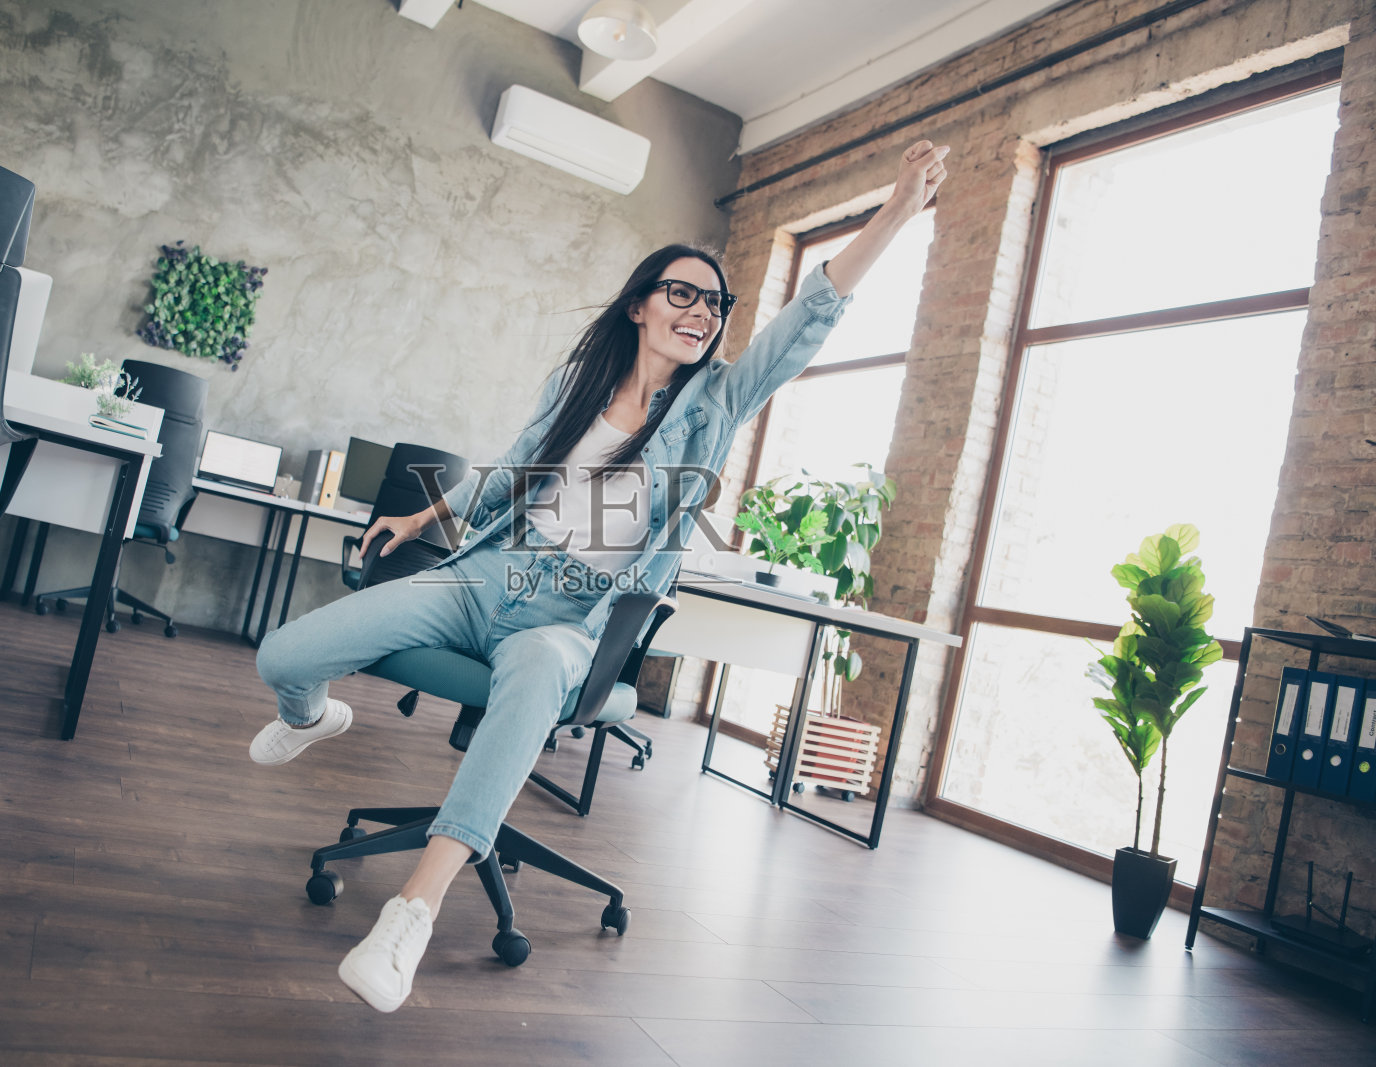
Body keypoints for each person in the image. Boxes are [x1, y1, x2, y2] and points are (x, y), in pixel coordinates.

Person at [252, 139, 952, 1012]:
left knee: (540, 670)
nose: (702, 311)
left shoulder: (716, 401)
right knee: (283, 656)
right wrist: (424, 513)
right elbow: (511, 468)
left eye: (717, 303)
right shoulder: (576, 382)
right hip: (485, 578)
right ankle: (312, 716)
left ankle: (412, 912)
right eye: (683, 293)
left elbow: (812, 314)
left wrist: (894, 213)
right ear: (639, 306)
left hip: (571, 618)